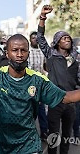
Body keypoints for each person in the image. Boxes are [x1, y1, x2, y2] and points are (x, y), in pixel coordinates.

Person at [37, 5, 79, 154]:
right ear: (57, 42)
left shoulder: (75, 59)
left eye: (68, 37)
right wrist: (43, 17)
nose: (67, 39)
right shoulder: (51, 56)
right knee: (54, 134)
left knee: (67, 134)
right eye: (63, 38)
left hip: (71, 103)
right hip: (55, 102)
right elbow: (40, 38)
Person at [28, 31, 48, 141]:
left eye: (37, 38)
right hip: (29, 85)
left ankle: (44, 132)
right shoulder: (27, 51)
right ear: (30, 40)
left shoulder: (42, 52)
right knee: (30, 110)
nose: (35, 39)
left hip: (41, 84)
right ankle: (30, 134)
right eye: (33, 38)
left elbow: (45, 66)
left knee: (41, 110)